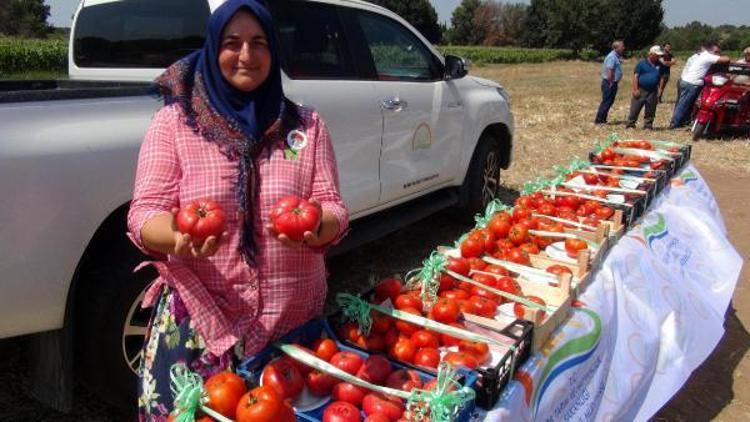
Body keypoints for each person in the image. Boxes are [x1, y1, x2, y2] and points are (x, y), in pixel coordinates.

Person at [126, 0, 349, 418]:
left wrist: (318, 227)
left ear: (274, 51)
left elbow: (335, 207)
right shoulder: (175, 123)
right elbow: (143, 215)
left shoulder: (307, 126)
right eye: (233, 43)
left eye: (259, 42)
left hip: (291, 327)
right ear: (213, 49)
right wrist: (176, 236)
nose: (246, 55)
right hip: (202, 329)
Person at [670, 41, 731, 128]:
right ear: (710, 50)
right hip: (692, 83)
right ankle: (674, 124)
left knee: (687, 104)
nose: (718, 54)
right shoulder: (708, 56)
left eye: (719, 52)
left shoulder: (702, 55)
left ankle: (683, 121)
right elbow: (727, 59)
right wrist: (722, 57)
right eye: (716, 52)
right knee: (684, 104)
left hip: (687, 81)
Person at [626, 46, 665, 129]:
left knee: (651, 109)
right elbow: (636, 76)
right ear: (651, 54)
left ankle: (648, 125)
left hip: (653, 90)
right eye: (657, 55)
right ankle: (630, 124)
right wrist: (635, 89)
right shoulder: (642, 63)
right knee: (635, 108)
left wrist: (660, 89)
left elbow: (662, 77)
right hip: (641, 89)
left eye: (659, 55)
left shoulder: (660, 65)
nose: (659, 57)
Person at [595, 40, 625, 124]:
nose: (623, 48)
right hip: (609, 82)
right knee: (607, 101)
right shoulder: (612, 57)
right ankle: (599, 120)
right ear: (616, 48)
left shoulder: (615, 56)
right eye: (622, 46)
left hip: (611, 82)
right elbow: (610, 70)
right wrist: (611, 82)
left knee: (609, 101)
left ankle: (603, 119)